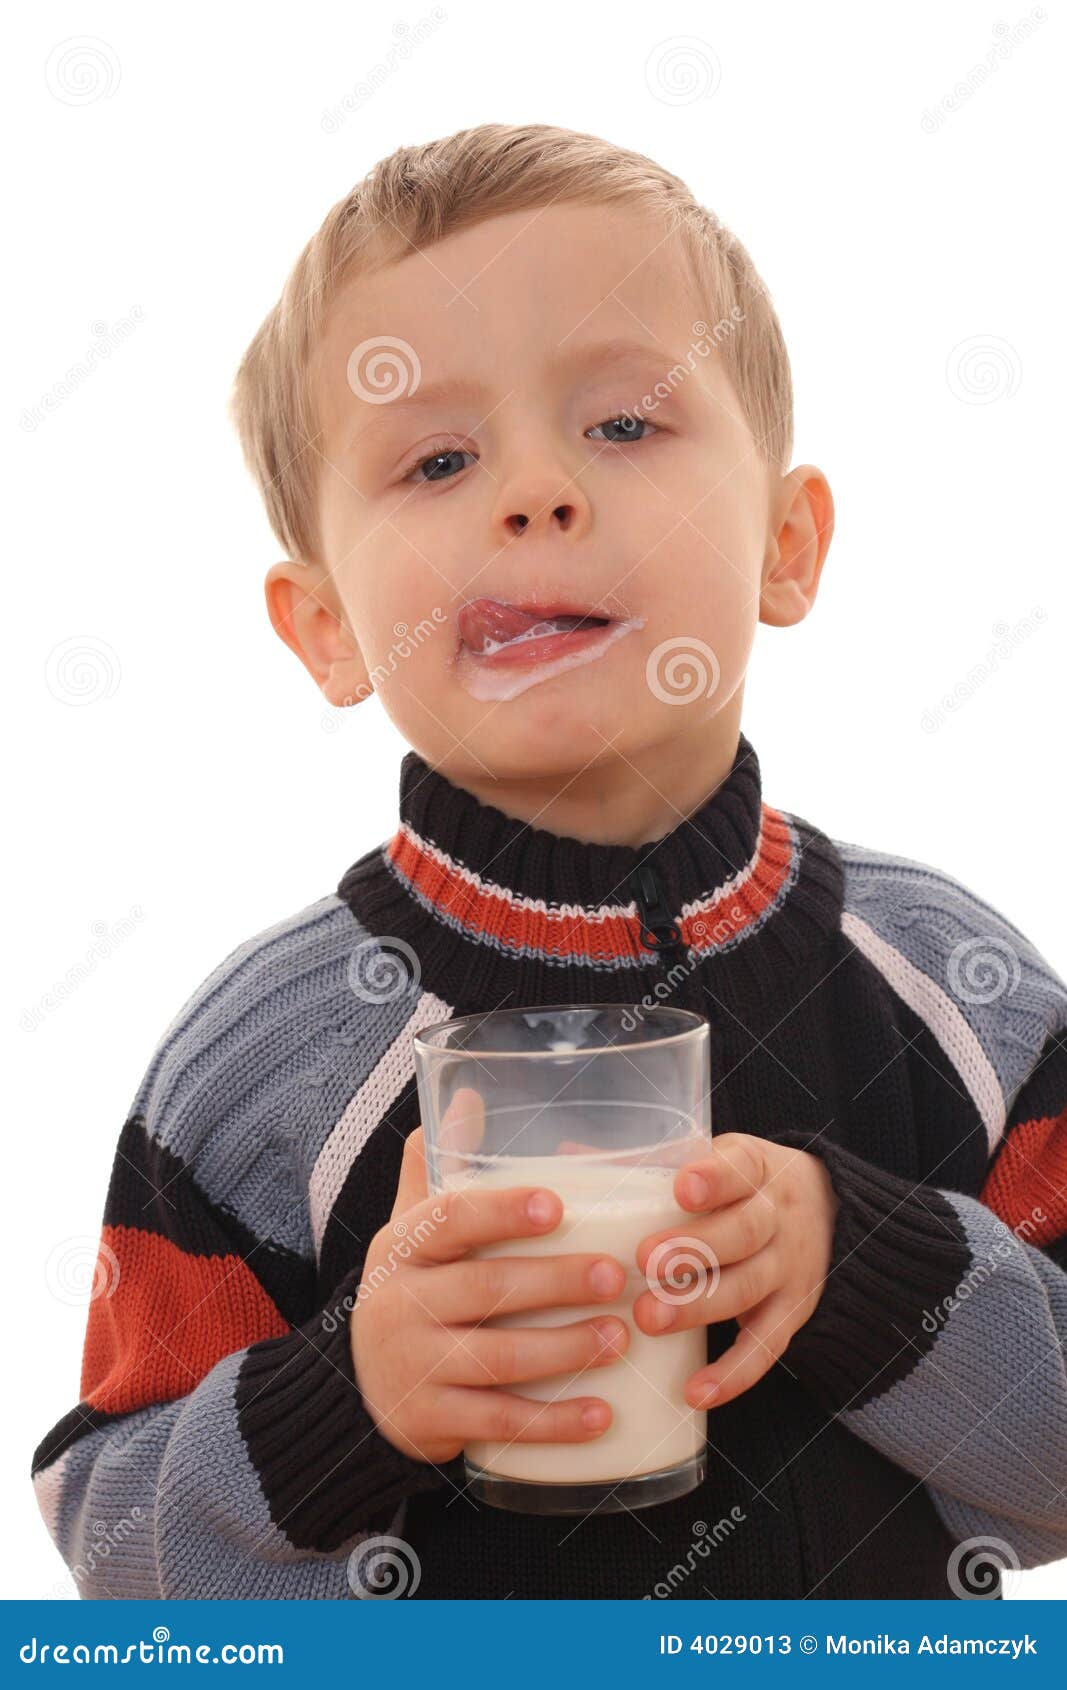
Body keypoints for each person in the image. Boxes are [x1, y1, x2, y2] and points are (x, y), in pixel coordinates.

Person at [32, 122, 1067, 1600]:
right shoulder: (260, 1065)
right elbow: (115, 1548)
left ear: (787, 544)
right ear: (325, 629)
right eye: (439, 457)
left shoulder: (957, 988)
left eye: (625, 426)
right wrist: (351, 1398)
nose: (535, 492)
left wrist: (881, 1272)